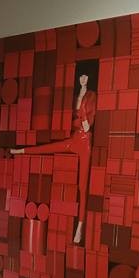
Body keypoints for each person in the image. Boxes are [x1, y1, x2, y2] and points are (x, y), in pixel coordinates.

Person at [10, 72, 96, 244]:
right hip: (75, 137)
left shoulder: (92, 95)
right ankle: (21, 151)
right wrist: (79, 106)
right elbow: (75, 120)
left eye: (86, 77)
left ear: (88, 79)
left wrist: (82, 111)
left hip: (85, 141)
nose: (83, 79)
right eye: (81, 77)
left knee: (83, 186)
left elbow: (87, 126)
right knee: (48, 148)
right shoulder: (77, 95)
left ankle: (79, 227)